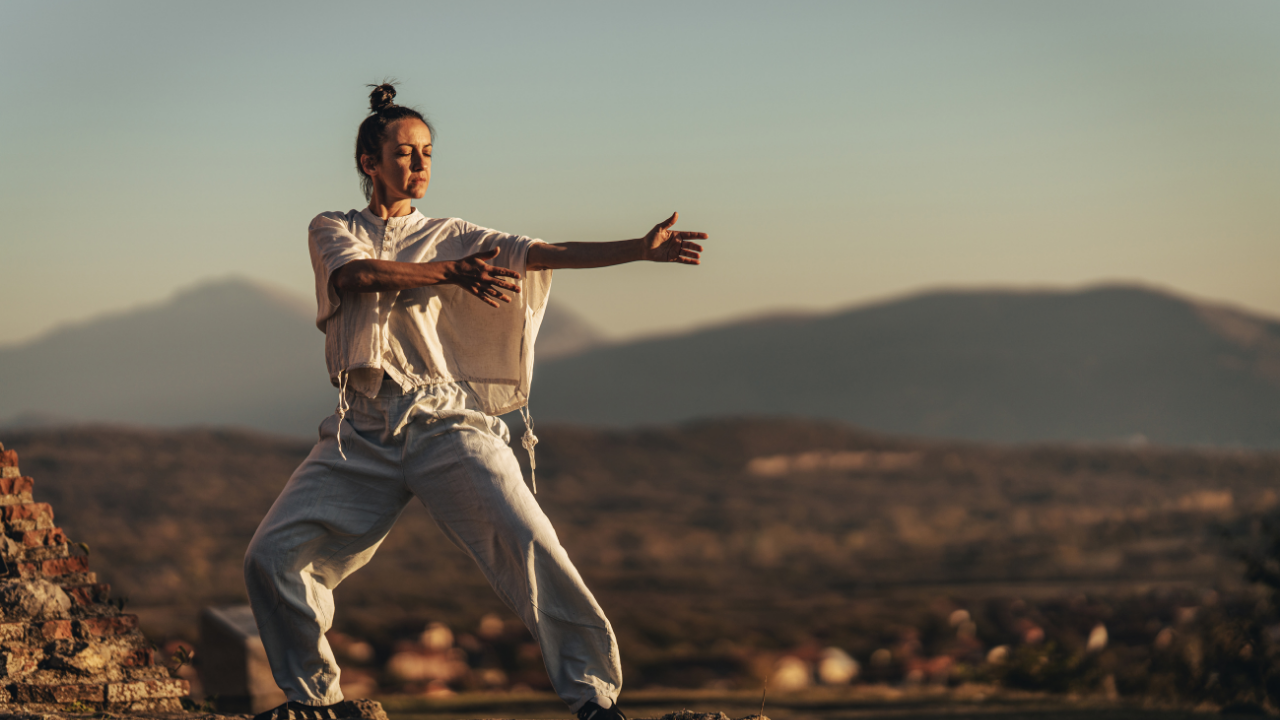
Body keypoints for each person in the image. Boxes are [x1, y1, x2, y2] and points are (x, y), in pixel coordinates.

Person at [243, 83, 706, 720]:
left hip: (448, 425)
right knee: (272, 557)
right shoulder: (335, 228)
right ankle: (314, 702)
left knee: (530, 546)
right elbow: (355, 278)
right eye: (405, 153)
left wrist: (637, 249)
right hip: (361, 432)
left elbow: (544, 253)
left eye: (428, 152)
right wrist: (450, 274)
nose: (420, 164)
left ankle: (595, 700)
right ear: (368, 163)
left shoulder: (455, 234)